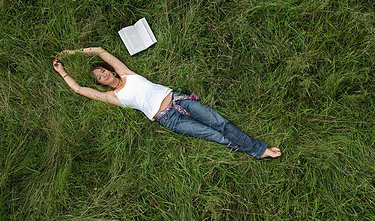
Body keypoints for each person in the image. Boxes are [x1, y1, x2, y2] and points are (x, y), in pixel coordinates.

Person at [52, 47, 281, 159]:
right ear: (101, 84)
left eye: (103, 71)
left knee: (220, 122)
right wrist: (62, 72)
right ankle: (259, 152)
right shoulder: (113, 97)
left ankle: (258, 149)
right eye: (100, 77)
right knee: (213, 135)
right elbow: (80, 89)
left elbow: (102, 51)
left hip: (178, 100)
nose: (104, 75)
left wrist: (73, 52)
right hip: (168, 118)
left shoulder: (126, 73)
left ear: (110, 70)